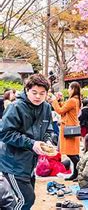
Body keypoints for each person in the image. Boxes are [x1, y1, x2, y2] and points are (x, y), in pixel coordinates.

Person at [0, 74, 54, 209]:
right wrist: (32, 143)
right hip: (12, 162)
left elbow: (49, 130)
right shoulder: (15, 107)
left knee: (25, 199)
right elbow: (4, 132)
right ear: (27, 90)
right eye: (34, 92)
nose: (38, 97)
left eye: (42, 93)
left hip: (30, 163)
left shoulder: (46, 107)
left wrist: (48, 141)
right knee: (26, 200)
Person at [51, 81, 82, 181]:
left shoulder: (72, 100)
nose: (68, 90)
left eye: (69, 88)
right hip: (73, 128)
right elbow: (65, 109)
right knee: (74, 153)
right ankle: (76, 173)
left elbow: (60, 111)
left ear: (73, 89)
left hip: (69, 129)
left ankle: (78, 173)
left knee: (70, 153)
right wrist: (59, 102)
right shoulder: (77, 100)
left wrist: (54, 101)